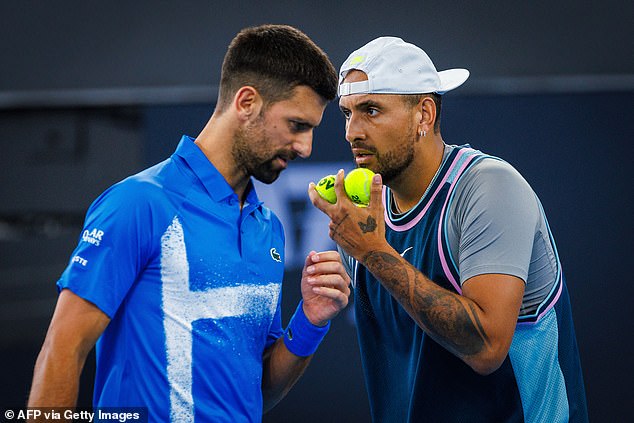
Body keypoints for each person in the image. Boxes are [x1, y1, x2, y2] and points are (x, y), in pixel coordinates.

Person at [28, 24, 351, 422]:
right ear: (246, 102)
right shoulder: (138, 203)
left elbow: (257, 390)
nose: (305, 147)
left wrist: (310, 319)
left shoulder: (268, 229)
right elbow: (63, 349)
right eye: (297, 125)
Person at [308, 36, 588, 422]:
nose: (351, 131)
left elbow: (487, 348)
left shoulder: (489, 188)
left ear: (424, 114)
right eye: (347, 113)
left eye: (371, 110)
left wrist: (373, 252)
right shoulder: (364, 219)